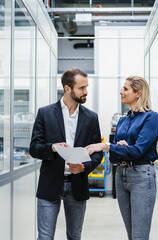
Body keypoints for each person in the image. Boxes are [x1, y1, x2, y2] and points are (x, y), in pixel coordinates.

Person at [29, 68, 103, 240]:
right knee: (45, 236)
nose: (86, 92)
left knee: (74, 236)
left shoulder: (91, 118)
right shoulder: (45, 113)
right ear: (68, 88)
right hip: (50, 183)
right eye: (81, 88)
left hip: (77, 184)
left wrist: (84, 167)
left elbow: (97, 152)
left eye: (86, 87)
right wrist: (52, 147)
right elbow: (34, 148)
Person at [86, 76, 158, 240]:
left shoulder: (151, 118)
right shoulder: (122, 120)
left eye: (126, 89)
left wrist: (108, 147)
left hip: (141, 175)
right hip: (121, 175)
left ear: (138, 93)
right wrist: (119, 148)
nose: (121, 92)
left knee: (139, 236)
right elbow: (114, 155)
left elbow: (138, 151)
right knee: (131, 234)